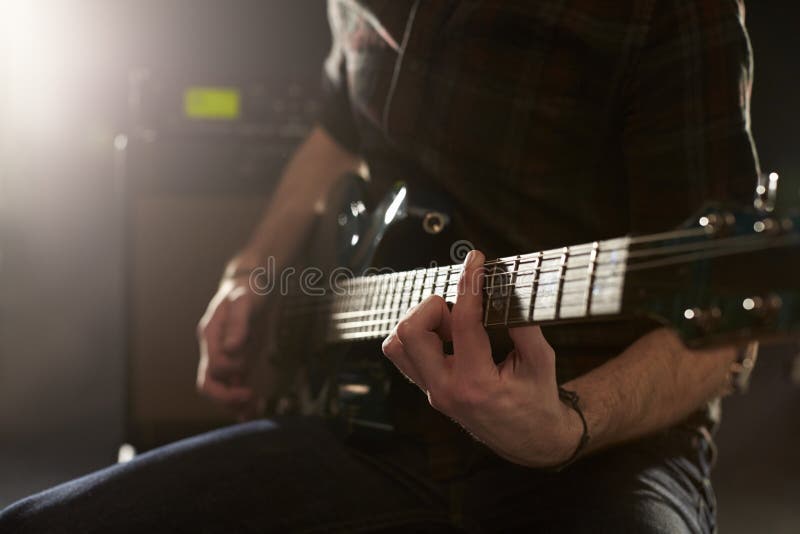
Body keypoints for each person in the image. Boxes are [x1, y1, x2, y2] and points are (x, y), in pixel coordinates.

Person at [1, 0, 760, 532]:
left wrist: (569, 424)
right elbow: (342, 126)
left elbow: (727, 326)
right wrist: (251, 269)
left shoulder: (666, 9)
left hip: (602, 449)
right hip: (370, 421)